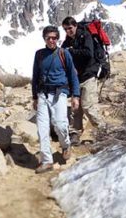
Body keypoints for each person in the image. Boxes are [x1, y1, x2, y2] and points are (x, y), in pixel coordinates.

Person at [31, 25, 80, 174]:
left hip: (60, 94)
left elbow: (73, 76)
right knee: (42, 129)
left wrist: (75, 96)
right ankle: (46, 161)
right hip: (42, 95)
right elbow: (35, 76)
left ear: (58, 38)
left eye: (54, 37)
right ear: (44, 38)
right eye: (48, 38)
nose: (52, 40)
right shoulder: (39, 54)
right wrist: (34, 97)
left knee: (60, 124)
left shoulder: (64, 54)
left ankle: (65, 145)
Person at [61, 16, 101, 145]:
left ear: (75, 26)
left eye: (70, 28)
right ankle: (75, 133)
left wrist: (72, 51)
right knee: (75, 107)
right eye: (65, 29)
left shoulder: (85, 36)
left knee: (88, 106)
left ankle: (104, 130)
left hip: (89, 75)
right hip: (75, 79)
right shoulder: (67, 41)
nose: (68, 31)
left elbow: (88, 53)